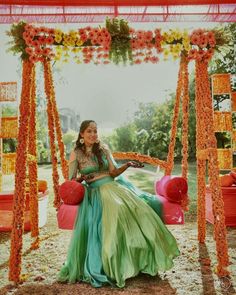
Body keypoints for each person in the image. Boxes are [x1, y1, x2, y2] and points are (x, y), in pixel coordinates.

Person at [58, 120, 180, 288]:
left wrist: (128, 164)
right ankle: (113, 262)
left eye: (95, 131)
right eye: (89, 131)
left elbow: (113, 173)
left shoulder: (103, 149)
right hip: (95, 191)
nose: (93, 134)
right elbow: (71, 181)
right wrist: (82, 178)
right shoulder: (76, 154)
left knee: (141, 209)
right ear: (81, 134)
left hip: (113, 186)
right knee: (116, 210)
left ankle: (142, 259)